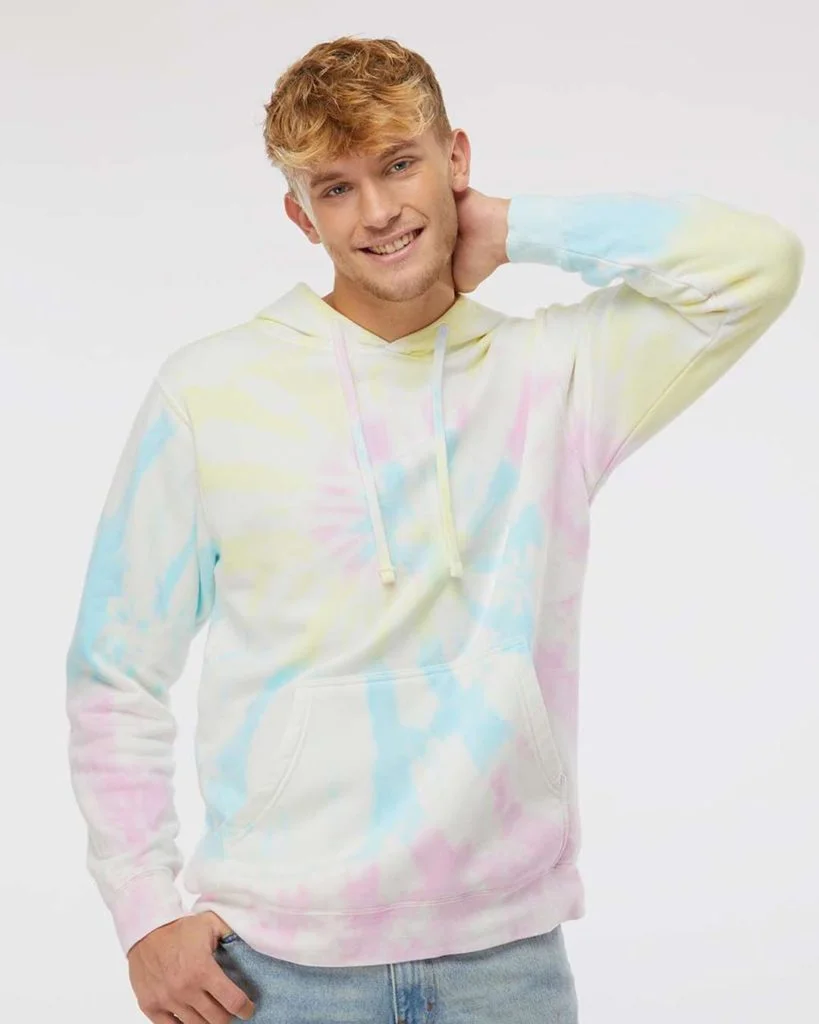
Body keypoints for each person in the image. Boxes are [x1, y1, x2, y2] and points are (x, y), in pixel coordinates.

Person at [65, 33, 804, 1024]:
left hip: (507, 965)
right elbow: (115, 671)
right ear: (300, 214)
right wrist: (143, 913)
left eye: (399, 164)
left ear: (455, 157)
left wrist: (512, 226)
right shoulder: (211, 393)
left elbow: (757, 264)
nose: (376, 212)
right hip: (277, 968)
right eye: (336, 188)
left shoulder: (555, 378)